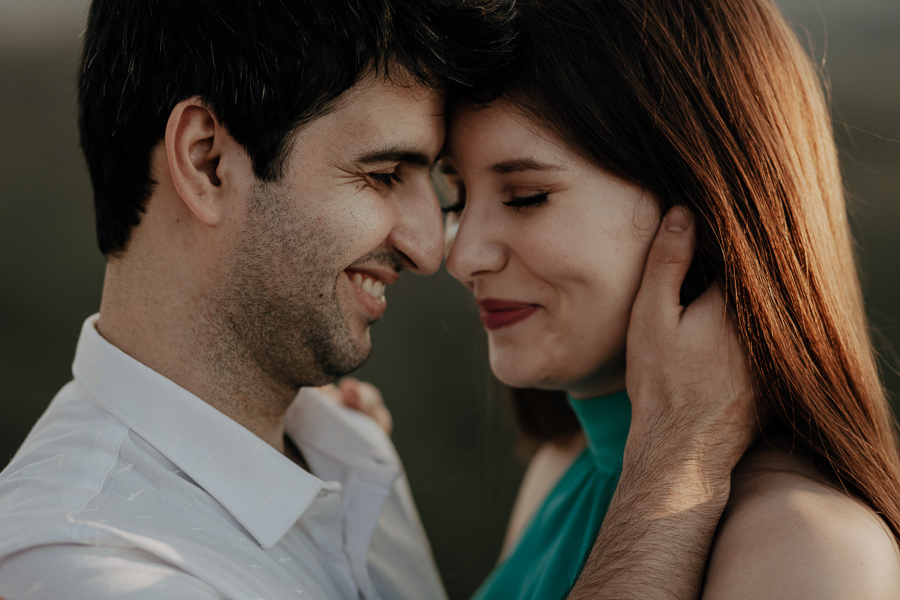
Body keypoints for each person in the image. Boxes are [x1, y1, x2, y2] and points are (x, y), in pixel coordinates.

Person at [0, 0, 757, 598]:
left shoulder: (346, 453)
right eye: (383, 174)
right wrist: (672, 479)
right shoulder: (81, 564)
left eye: (439, 186)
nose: (436, 249)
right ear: (207, 162)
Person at [436, 0, 900, 598]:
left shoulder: (807, 547)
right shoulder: (562, 471)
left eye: (525, 196)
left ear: (705, 205)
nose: (462, 255)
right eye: (455, 198)